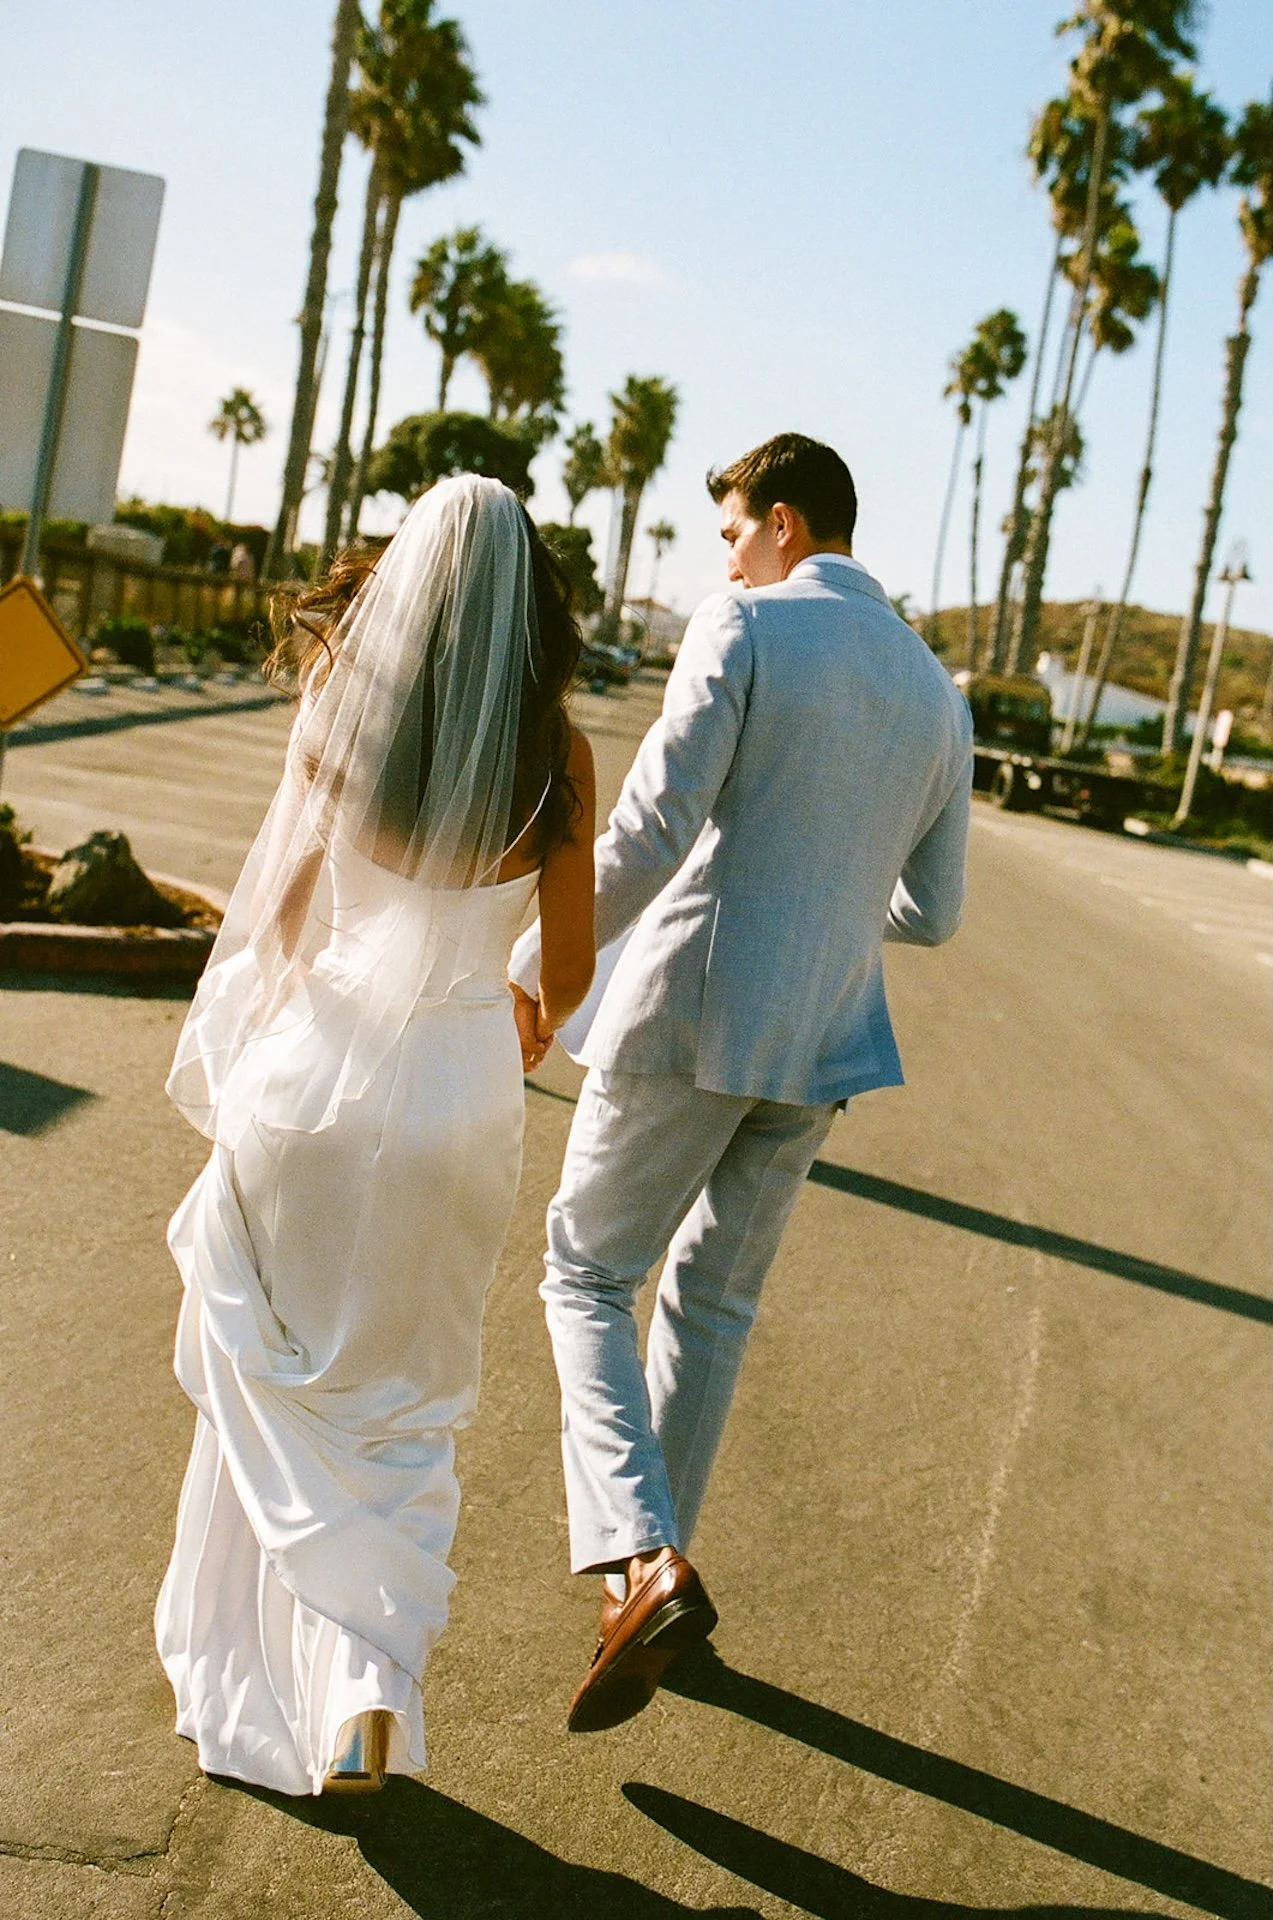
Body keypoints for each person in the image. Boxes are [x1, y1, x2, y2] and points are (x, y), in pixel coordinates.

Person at [509, 432, 973, 1733]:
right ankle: (647, 1589)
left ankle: (638, 1562)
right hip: (824, 1035)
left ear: (779, 522)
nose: (724, 555)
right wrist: (824, 907)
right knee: (711, 1306)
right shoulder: (939, 697)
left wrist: (536, 965)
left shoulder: (748, 625)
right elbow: (932, 913)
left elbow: (655, 826)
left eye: (728, 532)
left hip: (694, 1004)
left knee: (586, 1270)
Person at [156, 475, 596, 1795]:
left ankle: (269, 1674)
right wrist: (505, 1006)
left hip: (318, 1075)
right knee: (406, 1404)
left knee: (275, 1370)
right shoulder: (557, 751)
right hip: (462, 1094)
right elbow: (565, 977)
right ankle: (366, 1701)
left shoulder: (341, 701)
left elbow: (280, 917)